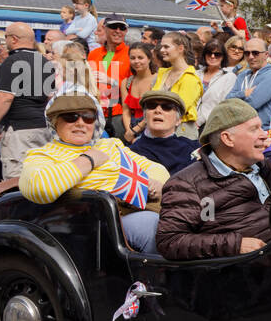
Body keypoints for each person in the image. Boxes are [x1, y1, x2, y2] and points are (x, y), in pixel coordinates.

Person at [19, 89, 167, 253]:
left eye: (88, 117)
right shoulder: (44, 154)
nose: (81, 123)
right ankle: (158, 278)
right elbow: (38, 187)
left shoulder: (110, 145)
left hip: (144, 207)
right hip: (97, 224)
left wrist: (154, 181)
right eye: (71, 117)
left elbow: (154, 167)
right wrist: (88, 160)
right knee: (154, 226)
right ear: (55, 122)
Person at [156, 99, 271, 260]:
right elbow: (170, 241)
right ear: (228, 139)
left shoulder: (262, 165)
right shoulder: (188, 184)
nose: (264, 135)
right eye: (254, 129)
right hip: (248, 272)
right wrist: (234, 245)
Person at [0, 23, 56, 181]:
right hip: (41, 127)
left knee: (16, 181)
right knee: (40, 178)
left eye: (6, 38)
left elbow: (6, 97)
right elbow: (49, 97)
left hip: (18, 129)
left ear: (14, 39)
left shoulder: (11, 62)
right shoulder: (45, 62)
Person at [129, 90, 198, 175]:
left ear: (178, 120)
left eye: (167, 107)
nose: (158, 110)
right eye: (151, 106)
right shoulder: (132, 153)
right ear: (145, 117)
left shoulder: (193, 147)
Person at [151, 32, 204, 138]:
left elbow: (179, 108)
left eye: (166, 47)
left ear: (180, 48)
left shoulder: (191, 78)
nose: (162, 50)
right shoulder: (162, 74)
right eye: (162, 47)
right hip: (158, 130)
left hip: (181, 133)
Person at [225, 35, 271, 128]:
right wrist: (244, 93)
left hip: (261, 133)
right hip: (239, 131)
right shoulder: (242, 75)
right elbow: (227, 99)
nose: (251, 57)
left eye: (255, 53)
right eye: (247, 53)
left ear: (266, 55)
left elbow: (252, 104)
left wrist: (234, 103)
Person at [89, 13, 131, 139]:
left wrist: (111, 81)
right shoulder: (94, 54)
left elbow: (136, 85)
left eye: (122, 28)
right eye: (114, 27)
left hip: (119, 113)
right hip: (95, 113)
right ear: (105, 29)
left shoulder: (131, 54)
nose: (118, 31)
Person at [120, 41, 160, 140]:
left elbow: (155, 111)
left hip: (152, 127)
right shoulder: (126, 82)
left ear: (149, 59)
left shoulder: (158, 80)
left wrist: (135, 130)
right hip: (131, 128)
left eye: (140, 58)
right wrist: (129, 131)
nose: (136, 61)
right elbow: (126, 111)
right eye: (132, 58)